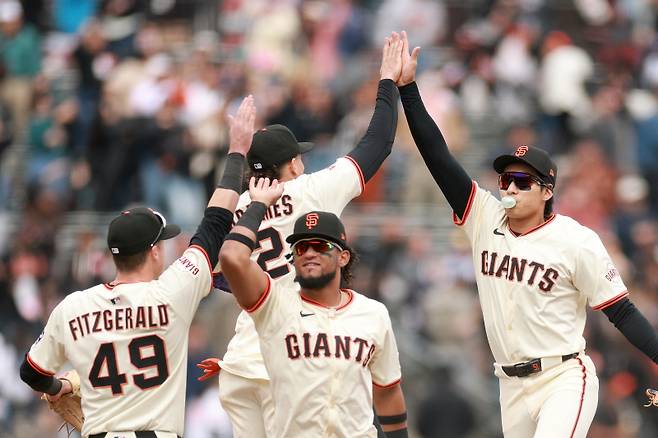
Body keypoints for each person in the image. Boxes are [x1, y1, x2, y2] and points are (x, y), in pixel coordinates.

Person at [395, 31, 658, 438]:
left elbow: (621, 312)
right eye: (506, 179)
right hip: (509, 385)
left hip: (563, 376)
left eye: (522, 181)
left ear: (547, 191)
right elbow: (437, 156)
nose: (510, 188)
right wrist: (408, 90)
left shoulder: (576, 239)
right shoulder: (484, 217)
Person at [197, 33, 404, 437]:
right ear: (290, 164)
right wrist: (387, 83)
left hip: (240, 359)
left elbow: (222, 275)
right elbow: (377, 143)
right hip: (289, 355)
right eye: (300, 157)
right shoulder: (311, 190)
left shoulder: (238, 206)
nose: (304, 164)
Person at [18, 95, 258, 438]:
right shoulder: (174, 290)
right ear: (155, 252)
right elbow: (216, 222)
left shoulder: (74, 306)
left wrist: (60, 388)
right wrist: (237, 150)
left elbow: (31, 373)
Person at [219, 184, 408, 437]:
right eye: (300, 247)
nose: (309, 253)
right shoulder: (274, 306)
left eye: (320, 246)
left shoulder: (373, 313)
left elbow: (388, 391)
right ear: (293, 258)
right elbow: (232, 257)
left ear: (343, 257)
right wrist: (259, 203)